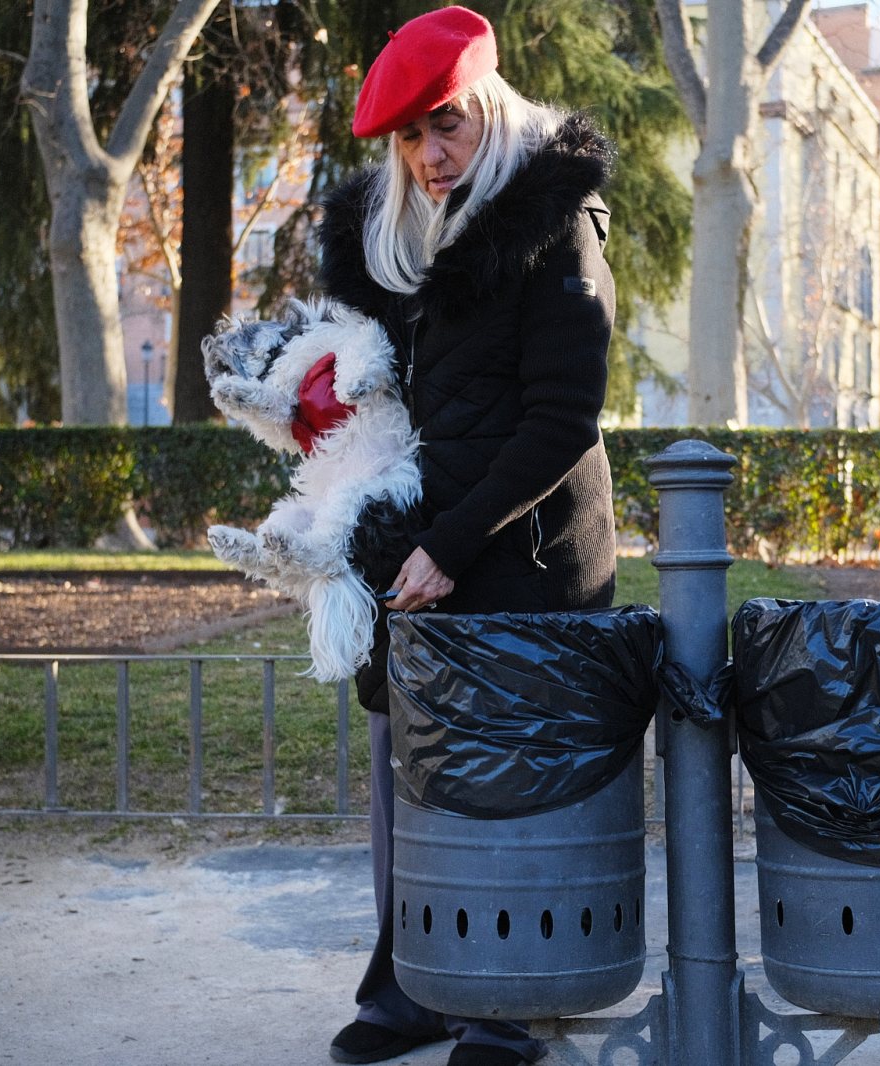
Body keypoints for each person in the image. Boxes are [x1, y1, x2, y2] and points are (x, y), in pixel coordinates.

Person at [313, 7, 618, 1066]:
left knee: (507, 781)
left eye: (445, 127)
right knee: (412, 767)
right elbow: (397, 398)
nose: (428, 156)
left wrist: (447, 541)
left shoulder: (554, 228)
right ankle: (412, 987)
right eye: (409, 138)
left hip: (529, 557)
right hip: (428, 547)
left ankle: (507, 1005)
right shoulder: (406, 239)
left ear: (488, 110)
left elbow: (561, 418)